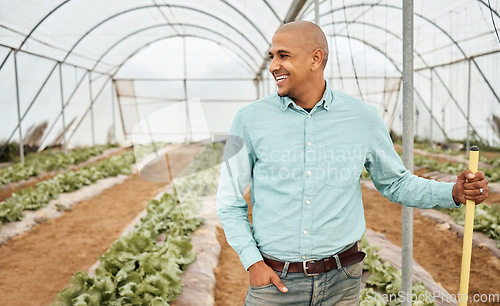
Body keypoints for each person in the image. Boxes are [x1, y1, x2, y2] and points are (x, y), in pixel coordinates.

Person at [216, 20, 489, 305]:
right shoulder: (248, 120)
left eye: (283, 55)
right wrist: (253, 263)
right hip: (275, 283)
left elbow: (395, 182)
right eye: (271, 56)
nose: (273, 65)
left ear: (315, 58)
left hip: (341, 282)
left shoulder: (362, 118)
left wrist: (452, 193)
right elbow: (229, 199)